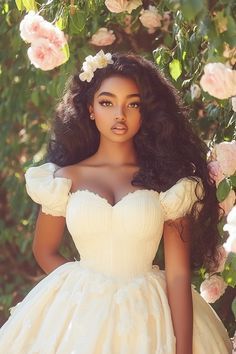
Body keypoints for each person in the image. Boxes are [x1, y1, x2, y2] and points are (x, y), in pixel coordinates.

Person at [0, 50, 232, 354]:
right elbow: (44, 251)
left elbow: (177, 275)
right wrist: (81, 292)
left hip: (150, 314)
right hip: (80, 315)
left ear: (145, 112)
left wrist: (183, 349)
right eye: (107, 102)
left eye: (132, 104)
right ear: (90, 109)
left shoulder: (168, 181)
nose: (119, 114)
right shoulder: (62, 179)